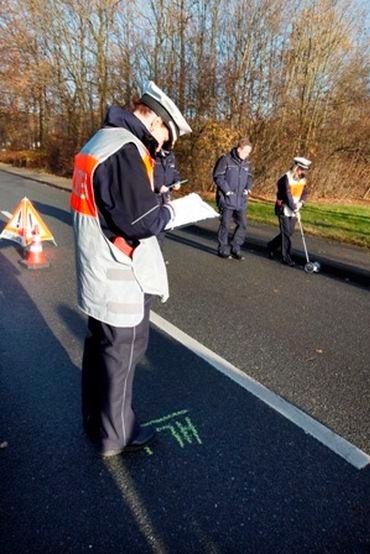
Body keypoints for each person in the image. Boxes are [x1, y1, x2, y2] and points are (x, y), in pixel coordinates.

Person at [70, 81, 191, 457]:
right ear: (154, 121)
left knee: (100, 349)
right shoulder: (125, 150)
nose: (161, 148)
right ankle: (116, 435)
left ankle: (96, 421)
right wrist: (171, 210)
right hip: (118, 273)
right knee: (123, 353)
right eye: (165, 139)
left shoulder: (101, 140)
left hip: (97, 267)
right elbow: (140, 219)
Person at [266, 156, 311, 266]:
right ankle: (286, 257)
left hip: (295, 209)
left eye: (304, 169)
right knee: (286, 234)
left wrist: (301, 203)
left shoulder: (303, 178)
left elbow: (305, 193)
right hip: (284, 209)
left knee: (288, 232)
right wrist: (294, 208)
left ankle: (271, 246)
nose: (302, 171)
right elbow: (287, 195)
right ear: (296, 167)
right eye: (301, 169)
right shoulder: (285, 178)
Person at [213, 137, 253, 260]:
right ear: (238, 149)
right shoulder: (225, 160)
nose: (246, 155)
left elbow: (250, 177)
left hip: (241, 199)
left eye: (248, 153)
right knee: (225, 224)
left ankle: (236, 248)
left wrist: (248, 188)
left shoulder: (247, 164)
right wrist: (227, 191)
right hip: (227, 199)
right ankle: (223, 249)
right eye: (245, 152)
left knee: (243, 224)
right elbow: (218, 176)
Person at [153, 146, 182, 251]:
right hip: (153, 196)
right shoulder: (153, 155)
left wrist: (177, 182)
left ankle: (158, 252)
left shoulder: (172, 157)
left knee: (162, 226)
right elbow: (146, 175)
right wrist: (157, 186)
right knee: (152, 225)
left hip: (166, 196)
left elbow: (175, 172)